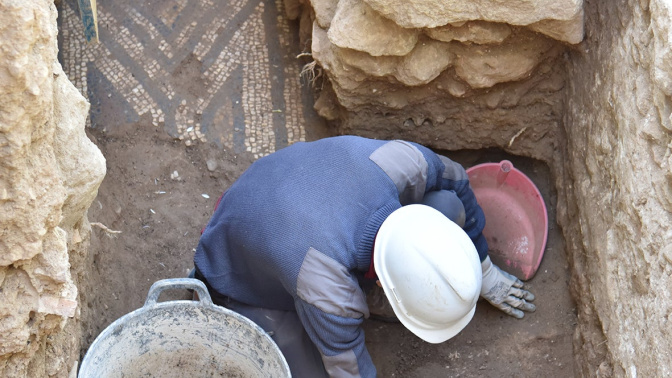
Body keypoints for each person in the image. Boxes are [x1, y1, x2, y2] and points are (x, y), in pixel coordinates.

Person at [192, 135, 535, 377]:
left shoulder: (404, 162)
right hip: (236, 266)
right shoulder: (325, 287)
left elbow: (457, 179)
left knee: (446, 205)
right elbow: (349, 369)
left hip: (296, 200)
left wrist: (484, 271)